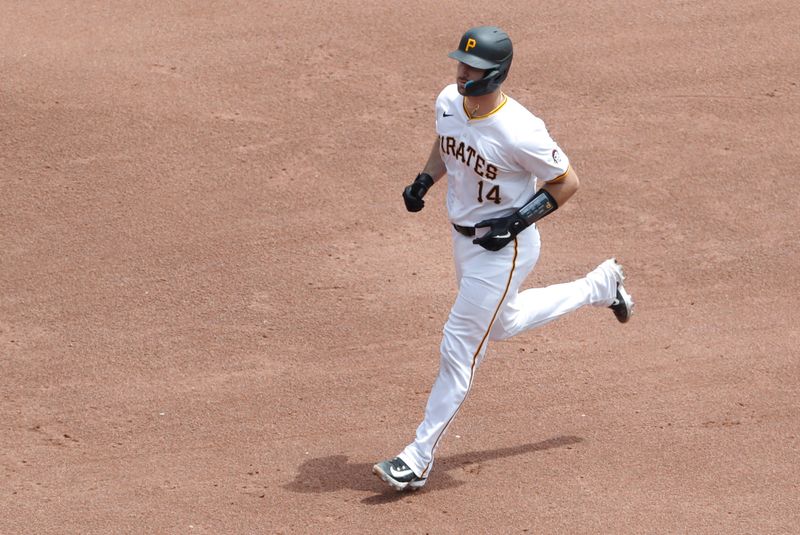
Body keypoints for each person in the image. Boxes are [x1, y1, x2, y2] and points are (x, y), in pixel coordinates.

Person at [373, 26, 634, 492]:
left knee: (459, 344)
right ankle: (601, 285)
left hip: (505, 251)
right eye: (459, 63)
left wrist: (514, 223)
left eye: (470, 67)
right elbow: (446, 141)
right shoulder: (449, 102)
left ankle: (417, 457)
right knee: (502, 322)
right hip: (463, 242)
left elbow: (565, 182)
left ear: (494, 73)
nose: (460, 72)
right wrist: (424, 180)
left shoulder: (521, 131)